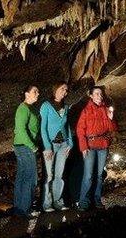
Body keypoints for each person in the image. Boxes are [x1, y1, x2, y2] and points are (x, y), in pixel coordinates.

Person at [76, 86, 117, 211]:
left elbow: (112, 129)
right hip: (90, 146)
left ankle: (97, 199)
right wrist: (83, 147)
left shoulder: (105, 110)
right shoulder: (86, 111)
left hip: (103, 146)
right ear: (91, 96)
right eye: (97, 94)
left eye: (101, 94)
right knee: (88, 175)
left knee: (99, 175)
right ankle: (83, 201)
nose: (99, 96)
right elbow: (80, 129)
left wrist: (111, 119)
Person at [40, 81, 73, 212]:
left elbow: (67, 126)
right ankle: (46, 204)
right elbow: (43, 128)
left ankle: (58, 202)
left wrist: (70, 143)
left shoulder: (65, 106)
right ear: (56, 89)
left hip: (63, 144)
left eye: (66, 90)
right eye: (63, 89)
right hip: (51, 145)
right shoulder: (46, 106)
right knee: (49, 175)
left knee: (59, 175)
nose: (65, 92)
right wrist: (47, 147)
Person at [12, 85, 40, 218]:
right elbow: (21, 130)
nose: (38, 93)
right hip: (25, 147)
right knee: (30, 178)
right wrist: (33, 146)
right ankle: (25, 209)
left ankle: (19, 208)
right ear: (26, 94)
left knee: (22, 178)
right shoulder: (23, 109)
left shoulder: (28, 108)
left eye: (38, 92)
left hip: (21, 146)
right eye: (35, 91)